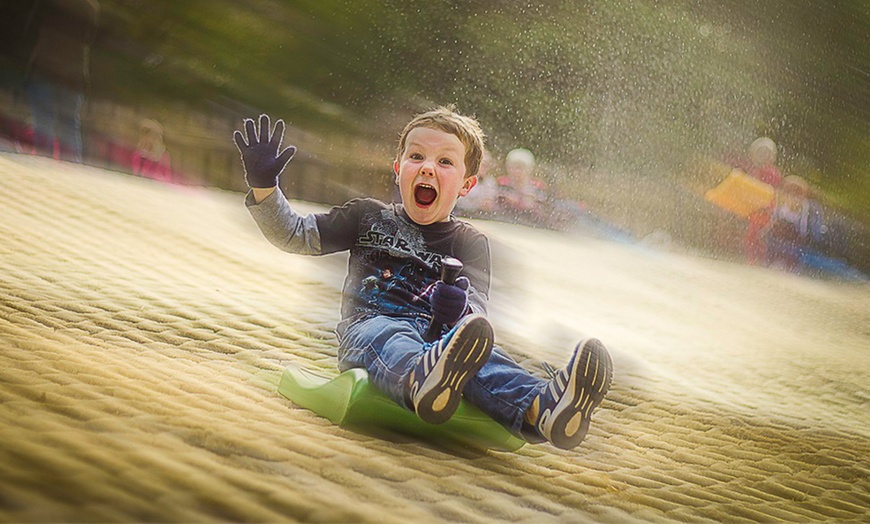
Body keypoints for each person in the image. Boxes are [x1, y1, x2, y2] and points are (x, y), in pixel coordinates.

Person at [235, 108, 613, 449]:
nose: (428, 167)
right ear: (398, 167)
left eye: (445, 161)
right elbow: (294, 234)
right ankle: (420, 378)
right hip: (370, 330)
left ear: (467, 185)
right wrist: (265, 187)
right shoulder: (367, 216)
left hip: (444, 346)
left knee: (488, 360)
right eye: (416, 156)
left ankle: (542, 408)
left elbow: (476, 313)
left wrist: (458, 308)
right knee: (392, 335)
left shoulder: (471, 243)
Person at [25, 0, 100, 163]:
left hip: (45, 68)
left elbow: (31, 28)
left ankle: (43, 167)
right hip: (73, 75)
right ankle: (71, 172)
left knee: (44, 123)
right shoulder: (90, 7)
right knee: (70, 126)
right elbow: (91, 39)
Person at [761, 175, 825, 272]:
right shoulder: (778, 209)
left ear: (803, 196)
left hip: (800, 251)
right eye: (790, 193)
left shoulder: (810, 212)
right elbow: (767, 233)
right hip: (778, 248)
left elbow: (815, 237)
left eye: (798, 194)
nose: (793, 198)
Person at [741, 137, 782, 264]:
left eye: (766, 154)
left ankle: (759, 261)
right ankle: (753, 261)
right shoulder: (754, 170)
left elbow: (771, 192)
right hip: (755, 209)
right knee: (752, 236)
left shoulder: (772, 172)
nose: (763, 157)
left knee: (757, 236)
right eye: (760, 153)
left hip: (765, 210)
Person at [494, 148, 551, 225]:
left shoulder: (538, 186)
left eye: (520, 168)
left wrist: (529, 204)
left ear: (529, 169)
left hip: (531, 224)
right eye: (513, 167)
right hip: (503, 221)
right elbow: (494, 206)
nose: (517, 171)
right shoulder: (501, 183)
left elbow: (543, 211)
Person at [131, 119, 173, 183]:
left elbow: (167, 177)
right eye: (146, 135)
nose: (148, 139)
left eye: (152, 136)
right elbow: (135, 172)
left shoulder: (163, 155)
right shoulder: (138, 154)